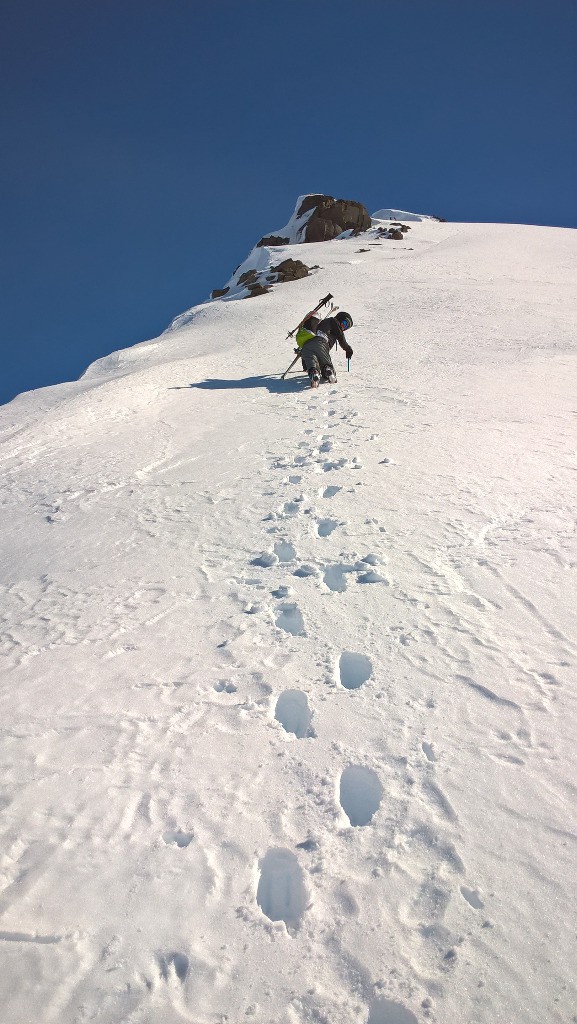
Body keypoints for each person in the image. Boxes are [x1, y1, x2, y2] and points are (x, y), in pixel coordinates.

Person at [299, 312, 354, 387]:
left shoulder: (321, 323)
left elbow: (305, 357)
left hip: (306, 346)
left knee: (312, 364)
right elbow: (341, 338)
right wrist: (348, 349)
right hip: (321, 343)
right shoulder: (333, 321)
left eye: (346, 327)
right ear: (340, 318)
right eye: (344, 323)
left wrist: (305, 366)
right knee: (325, 364)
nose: (343, 327)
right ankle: (328, 370)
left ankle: (314, 372)